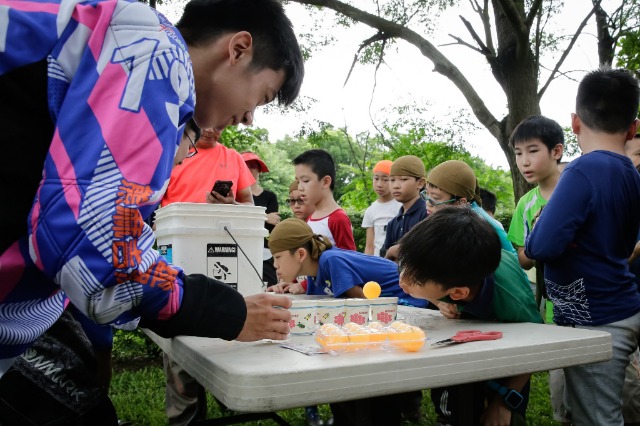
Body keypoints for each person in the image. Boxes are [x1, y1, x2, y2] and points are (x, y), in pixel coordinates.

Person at [0, 0, 303, 422]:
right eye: (264, 96)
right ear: (238, 50)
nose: (251, 117)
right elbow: (92, 240)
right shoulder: (153, 46)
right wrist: (226, 310)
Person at [526, 68, 640, 425]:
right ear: (633, 128)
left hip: (599, 320)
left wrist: (542, 221)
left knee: (598, 419)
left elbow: (541, 247)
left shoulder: (582, 171)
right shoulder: (629, 173)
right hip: (613, 308)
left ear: (575, 123)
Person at [268, 218, 426, 426]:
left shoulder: (330, 260)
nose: (274, 265)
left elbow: (360, 304)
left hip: (412, 303)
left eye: (277, 257)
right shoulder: (317, 277)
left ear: (300, 254)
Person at [397, 206, 543, 425]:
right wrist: (438, 302)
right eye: (405, 267)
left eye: (415, 281)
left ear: (458, 293)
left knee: (500, 417)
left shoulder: (511, 300)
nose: (403, 281)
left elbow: (535, 349)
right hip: (471, 315)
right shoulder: (443, 269)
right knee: (462, 395)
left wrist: (503, 403)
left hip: (513, 343)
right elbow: (431, 285)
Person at [424, 160, 517, 255]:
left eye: (435, 198)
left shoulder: (472, 227)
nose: (428, 203)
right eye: (426, 193)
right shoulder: (460, 215)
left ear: (461, 202)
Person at [161, 128, 255, 206]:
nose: (209, 130)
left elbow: (249, 204)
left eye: (217, 126)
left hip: (221, 226)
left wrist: (233, 205)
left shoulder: (234, 157)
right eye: (205, 123)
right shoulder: (174, 154)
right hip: (176, 225)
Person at [293, 149, 356, 250]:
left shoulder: (338, 219)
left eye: (305, 180)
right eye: (298, 182)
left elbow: (348, 260)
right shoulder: (310, 217)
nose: (300, 187)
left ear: (326, 182)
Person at [242, 151, 280, 286]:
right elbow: (238, 221)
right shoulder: (234, 196)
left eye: (253, 166)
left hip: (264, 250)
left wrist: (251, 217)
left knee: (270, 286)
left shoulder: (270, 197)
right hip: (241, 247)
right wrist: (264, 217)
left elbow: (273, 222)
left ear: (259, 170)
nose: (249, 170)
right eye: (246, 165)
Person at [380, 155, 427, 261]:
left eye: (403, 179)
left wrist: (394, 251)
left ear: (420, 183)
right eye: (392, 180)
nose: (396, 185)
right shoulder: (393, 223)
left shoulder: (428, 215)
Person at [362, 160, 401, 257]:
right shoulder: (370, 210)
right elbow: (369, 246)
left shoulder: (402, 206)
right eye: (376, 178)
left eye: (385, 179)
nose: (379, 184)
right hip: (377, 263)